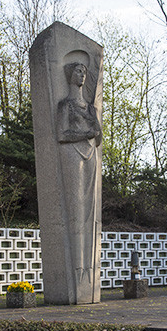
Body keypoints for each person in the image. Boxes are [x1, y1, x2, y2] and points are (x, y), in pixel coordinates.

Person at [56, 62, 102, 301]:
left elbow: (99, 136)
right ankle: (77, 270)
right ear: (69, 75)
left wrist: (95, 121)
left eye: (84, 71)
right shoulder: (65, 105)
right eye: (77, 71)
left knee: (89, 211)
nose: (82, 74)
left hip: (91, 154)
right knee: (76, 207)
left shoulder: (91, 107)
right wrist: (87, 133)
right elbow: (62, 134)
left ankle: (89, 272)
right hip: (72, 154)